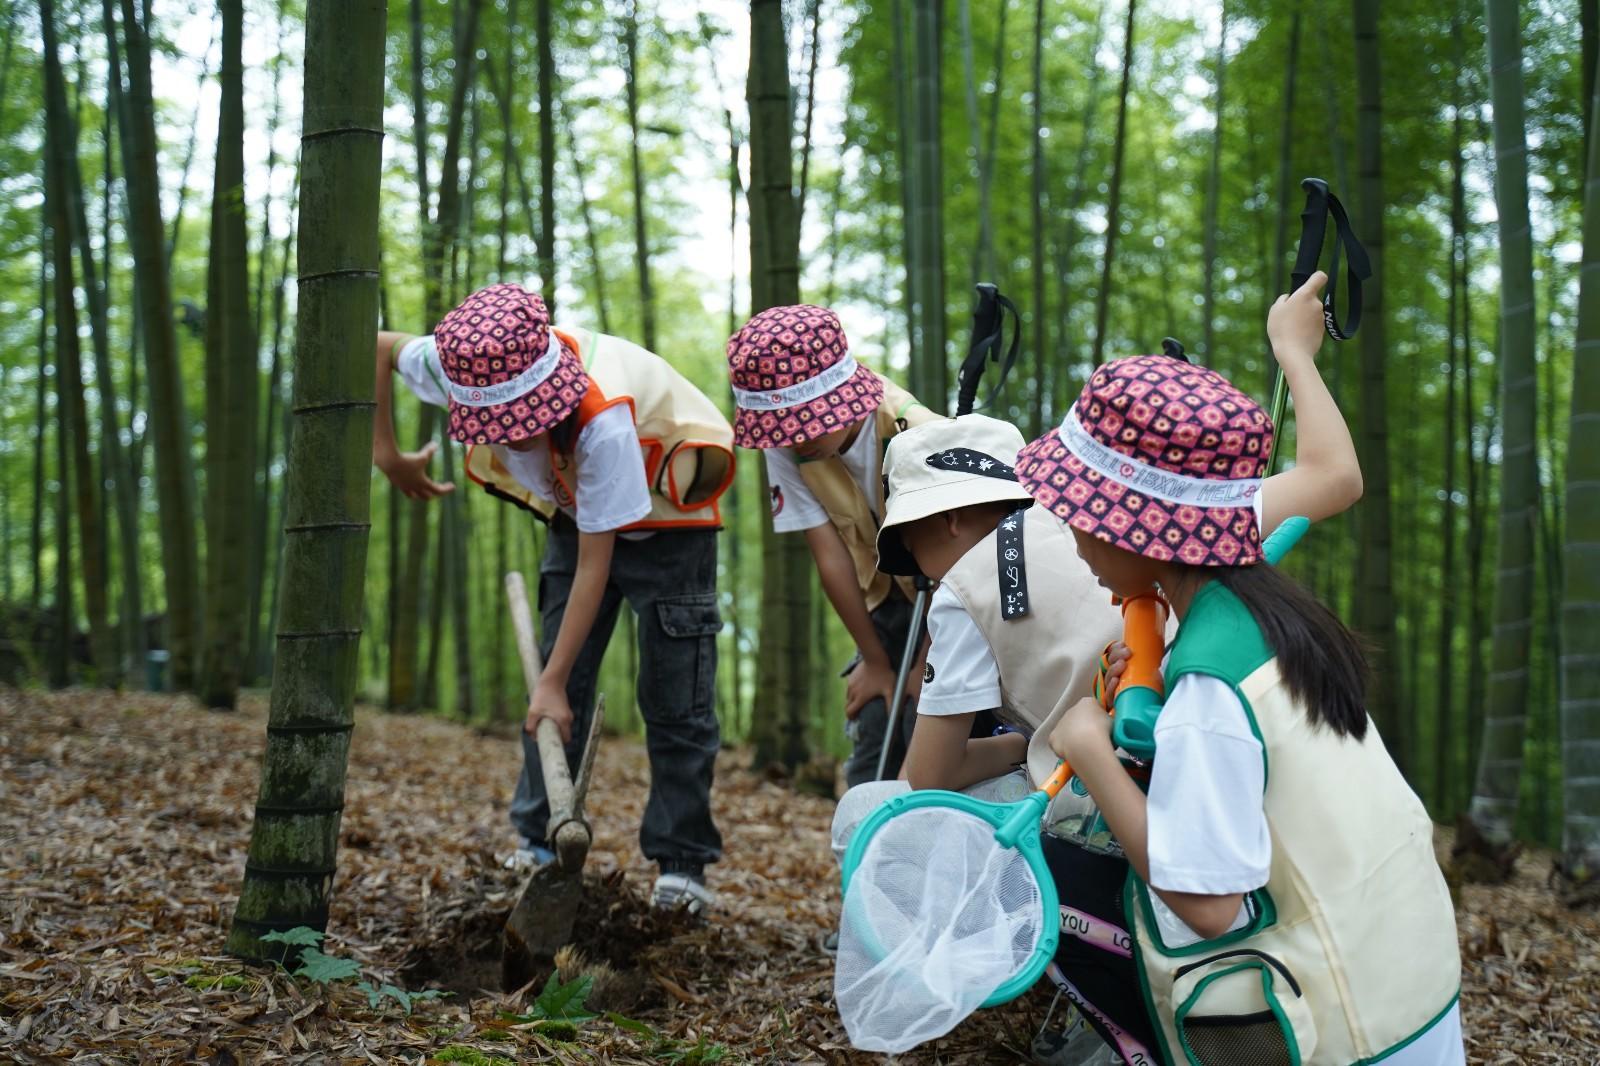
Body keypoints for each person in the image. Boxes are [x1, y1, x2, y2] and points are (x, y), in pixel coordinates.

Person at [1025, 273, 1464, 1064]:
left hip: (1352, 1033)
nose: (1072, 535)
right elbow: (1337, 475)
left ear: (1139, 530)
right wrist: (1293, 350)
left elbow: (1207, 902)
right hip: (1412, 986)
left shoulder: (1208, 688)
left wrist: (1087, 748)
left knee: (1054, 876)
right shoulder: (1239, 569)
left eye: (1080, 514)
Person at [372, 282, 735, 915]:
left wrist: (553, 681)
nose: (510, 441)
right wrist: (388, 454)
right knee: (551, 693)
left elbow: (599, 564)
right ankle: (538, 842)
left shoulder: (604, 422)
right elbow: (374, 346)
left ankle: (682, 866)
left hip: (672, 524)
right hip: (578, 517)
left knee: (676, 703)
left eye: (521, 426)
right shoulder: (462, 358)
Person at [726, 304, 942, 785]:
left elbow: (963, 565)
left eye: (806, 422)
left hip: (950, 598)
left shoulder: (915, 432)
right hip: (880, 603)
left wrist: (927, 662)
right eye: (782, 427)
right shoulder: (787, 446)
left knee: (924, 719)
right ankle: (861, 851)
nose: (797, 439)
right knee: (873, 724)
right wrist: (876, 661)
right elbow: (829, 555)